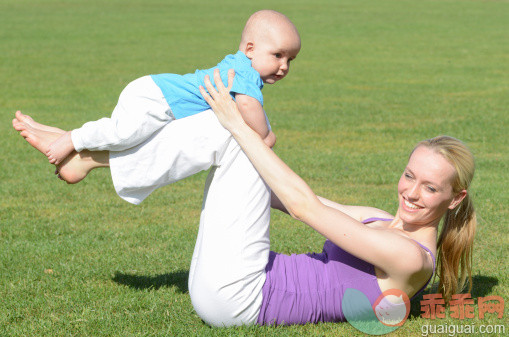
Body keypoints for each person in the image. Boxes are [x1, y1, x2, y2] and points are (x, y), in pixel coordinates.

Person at [11, 70, 477, 327]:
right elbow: (292, 196)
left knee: (235, 133)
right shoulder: (382, 221)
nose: (411, 193)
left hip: (242, 298)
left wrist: (241, 128)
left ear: (454, 200)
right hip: (236, 283)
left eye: (429, 188)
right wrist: (245, 140)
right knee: (235, 138)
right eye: (409, 176)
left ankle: (90, 155)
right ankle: (89, 156)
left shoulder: (412, 260)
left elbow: (305, 209)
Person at [41, 9, 301, 185]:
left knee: (140, 142)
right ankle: (72, 139)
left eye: (290, 59)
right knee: (123, 134)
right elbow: (248, 105)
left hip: (160, 97)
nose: (284, 66)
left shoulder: (241, 66)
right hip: (156, 98)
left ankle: (80, 158)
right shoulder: (245, 73)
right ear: (250, 49)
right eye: (277, 55)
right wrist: (266, 136)